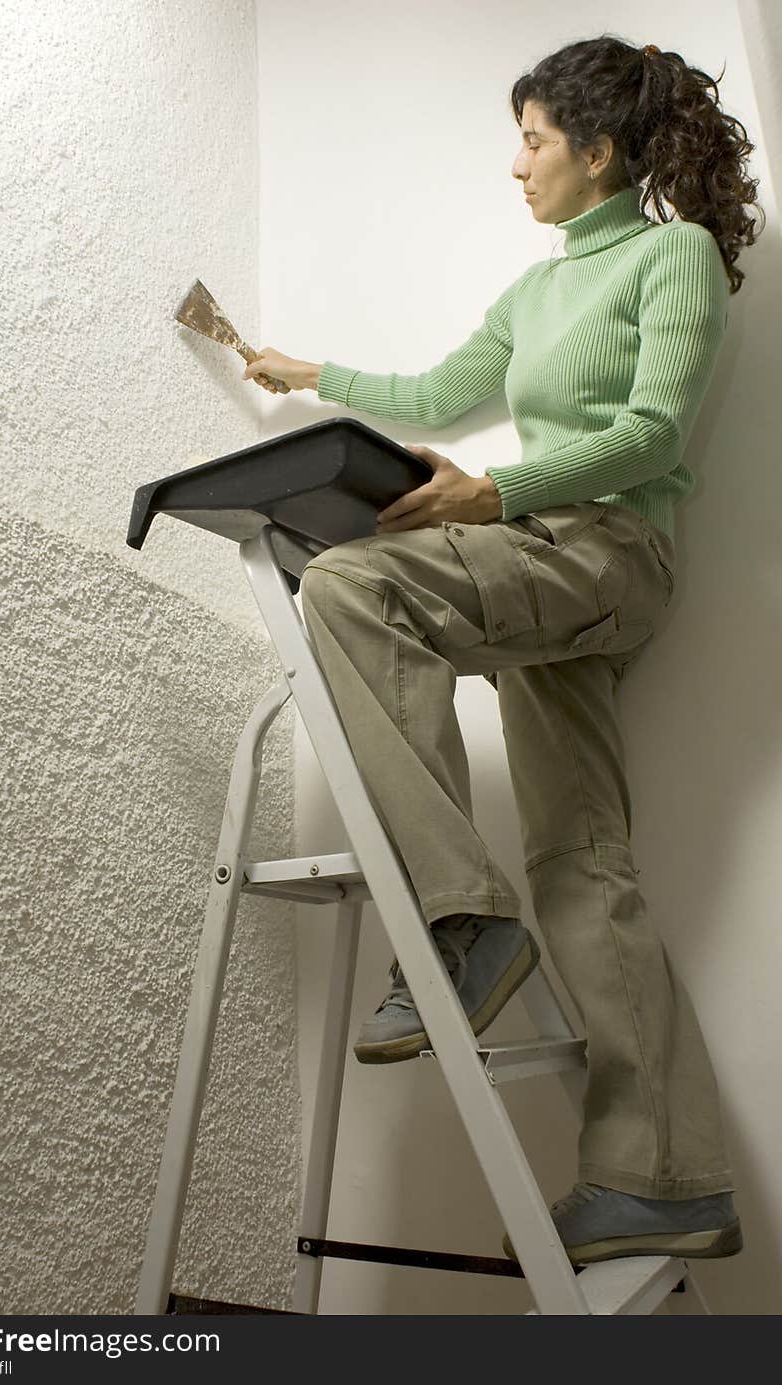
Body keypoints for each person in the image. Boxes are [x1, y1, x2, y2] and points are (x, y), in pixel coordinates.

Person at [243, 36, 763, 1266]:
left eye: (533, 139)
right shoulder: (535, 293)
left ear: (597, 151)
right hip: (544, 572)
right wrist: (306, 370)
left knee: (352, 585)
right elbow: (434, 392)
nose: (514, 163)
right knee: (581, 862)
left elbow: (647, 436)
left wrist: (493, 494)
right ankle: (666, 1174)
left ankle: (463, 924)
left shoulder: (671, 256)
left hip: (606, 556)